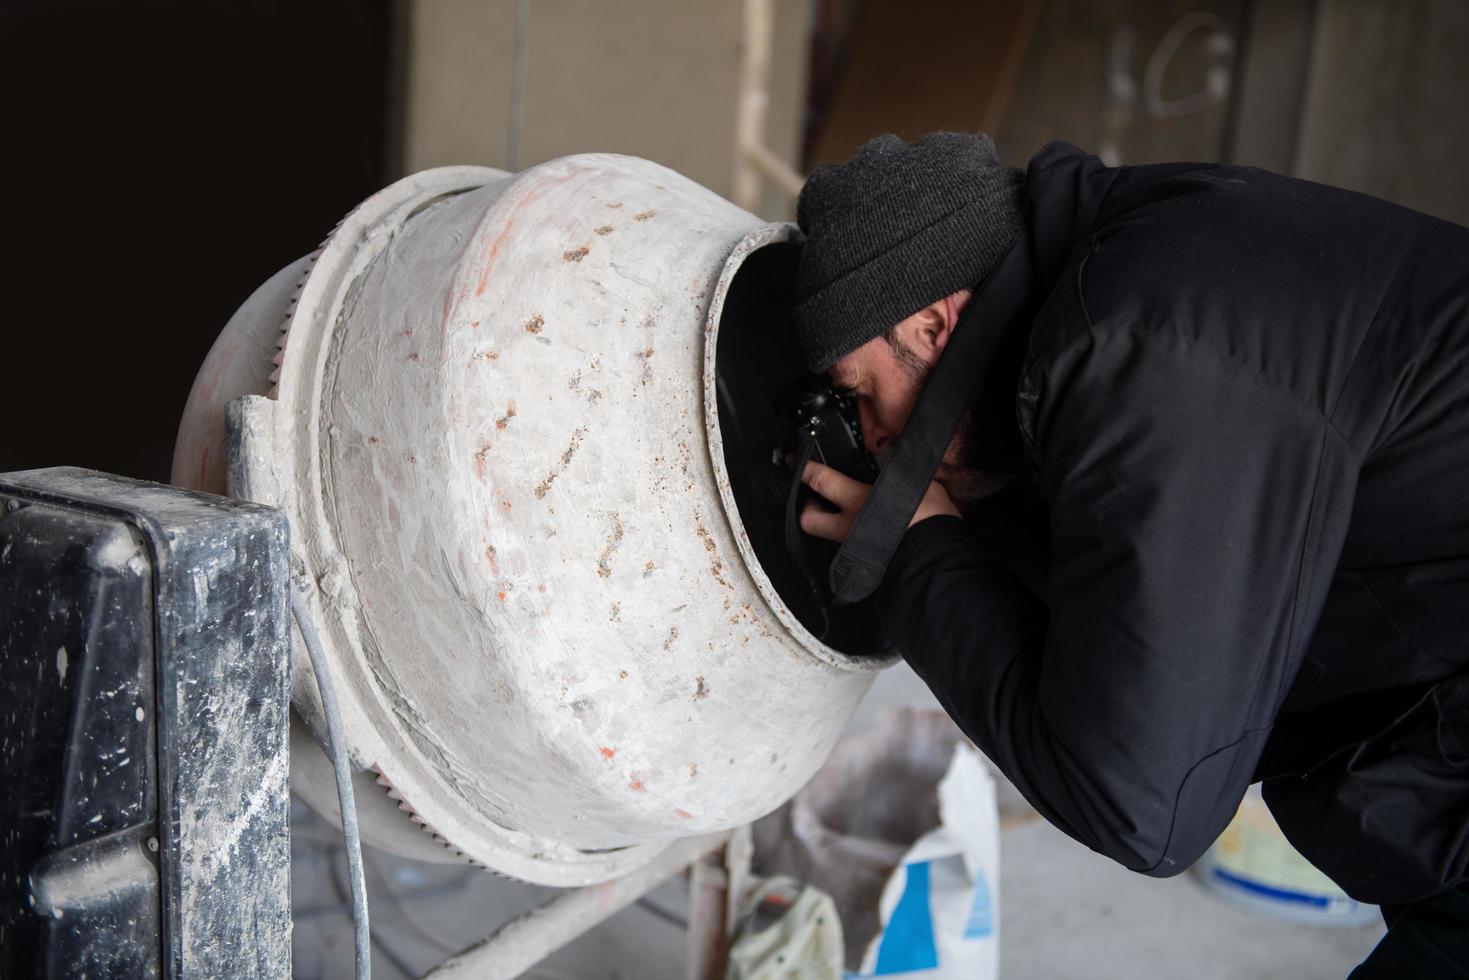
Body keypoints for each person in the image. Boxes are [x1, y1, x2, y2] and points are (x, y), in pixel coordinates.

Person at [790, 132, 1469, 977]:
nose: (872, 438)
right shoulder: (1128, 269)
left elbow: (1143, 806)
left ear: (933, 323)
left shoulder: (1140, 343)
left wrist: (916, 547)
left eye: (863, 395)